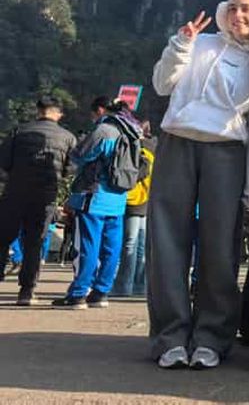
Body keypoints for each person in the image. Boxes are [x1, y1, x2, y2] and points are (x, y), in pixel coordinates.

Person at [147, 0, 249, 370]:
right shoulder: (198, 42)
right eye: (233, 8)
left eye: (247, 9)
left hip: (226, 149)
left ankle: (211, 337)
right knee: (167, 241)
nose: (238, 14)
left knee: (221, 245)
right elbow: (161, 85)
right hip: (178, 141)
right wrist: (181, 44)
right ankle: (170, 336)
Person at [52, 99, 141, 310]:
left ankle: (78, 293)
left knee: (87, 246)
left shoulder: (104, 130)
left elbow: (81, 156)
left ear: (101, 111)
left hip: (94, 197)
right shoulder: (132, 133)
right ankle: (101, 292)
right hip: (118, 199)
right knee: (111, 248)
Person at [0, 95, 76, 305]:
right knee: (35, 242)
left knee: (3, 238)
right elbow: (70, 169)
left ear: (38, 110)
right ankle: (26, 291)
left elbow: (4, 161)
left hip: (14, 192)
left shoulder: (18, 131)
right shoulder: (68, 137)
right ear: (58, 114)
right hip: (45, 196)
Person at [111, 121, 156, 297]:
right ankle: (139, 285)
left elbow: (138, 173)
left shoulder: (138, 149)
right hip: (147, 200)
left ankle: (123, 285)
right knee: (141, 245)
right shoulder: (155, 148)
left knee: (129, 243)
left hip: (133, 200)